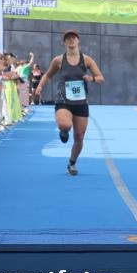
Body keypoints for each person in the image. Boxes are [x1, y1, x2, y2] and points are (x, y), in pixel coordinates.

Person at [34, 30, 104, 176]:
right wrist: (40, 86)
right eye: (68, 39)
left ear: (78, 41)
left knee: (79, 137)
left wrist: (92, 79)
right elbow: (47, 75)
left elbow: (100, 77)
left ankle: (72, 163)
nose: (71, 41)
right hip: (63, 100)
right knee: (65, 124)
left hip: (81, 102)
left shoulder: (87, 60)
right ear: (65, 43)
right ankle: (64, 131)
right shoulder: (59, 60)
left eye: (73, 38)